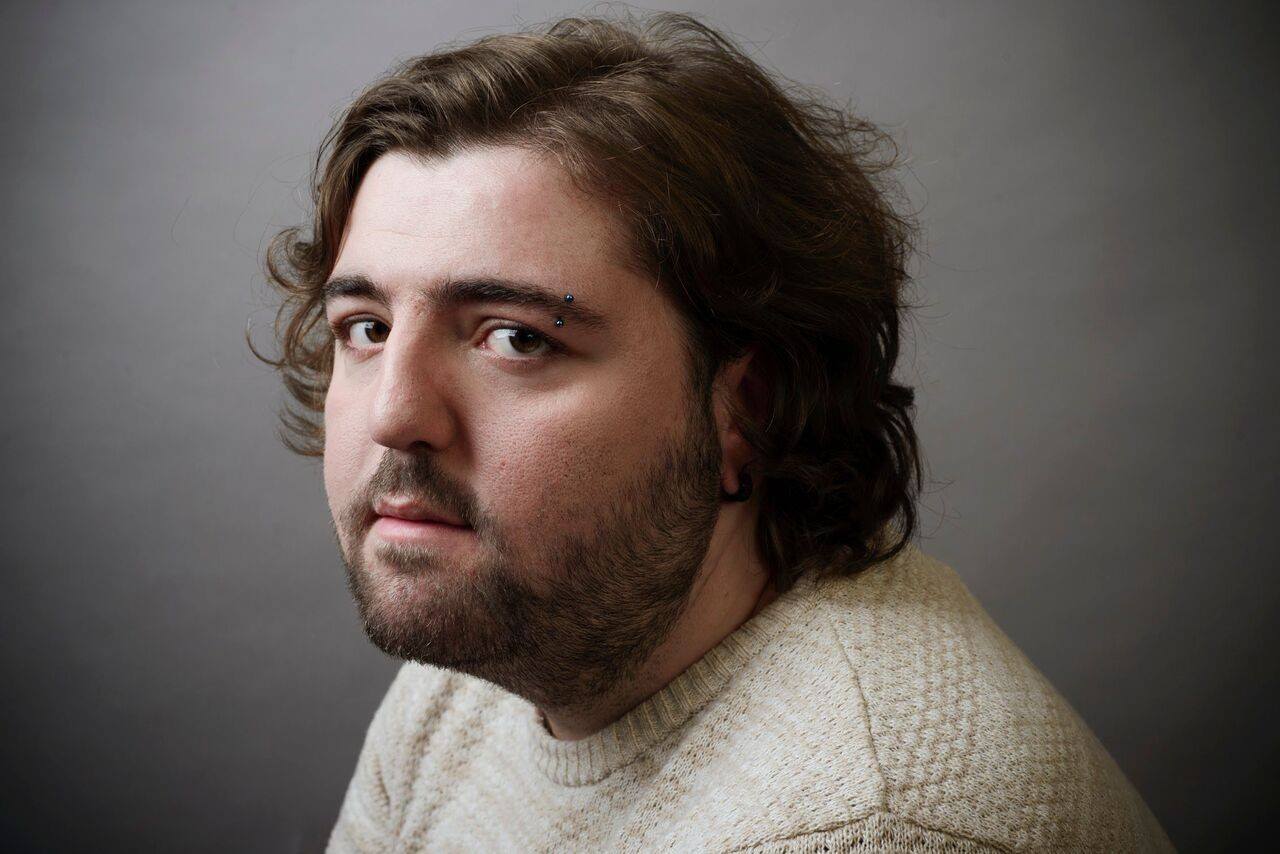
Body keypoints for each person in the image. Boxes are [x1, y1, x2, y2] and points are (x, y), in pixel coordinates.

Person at [253, 10, 1173, 852]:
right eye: (366, 328)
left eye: (518, 338)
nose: (395, 415)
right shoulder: (495, 642)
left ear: (747, 407)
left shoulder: (869, 826)